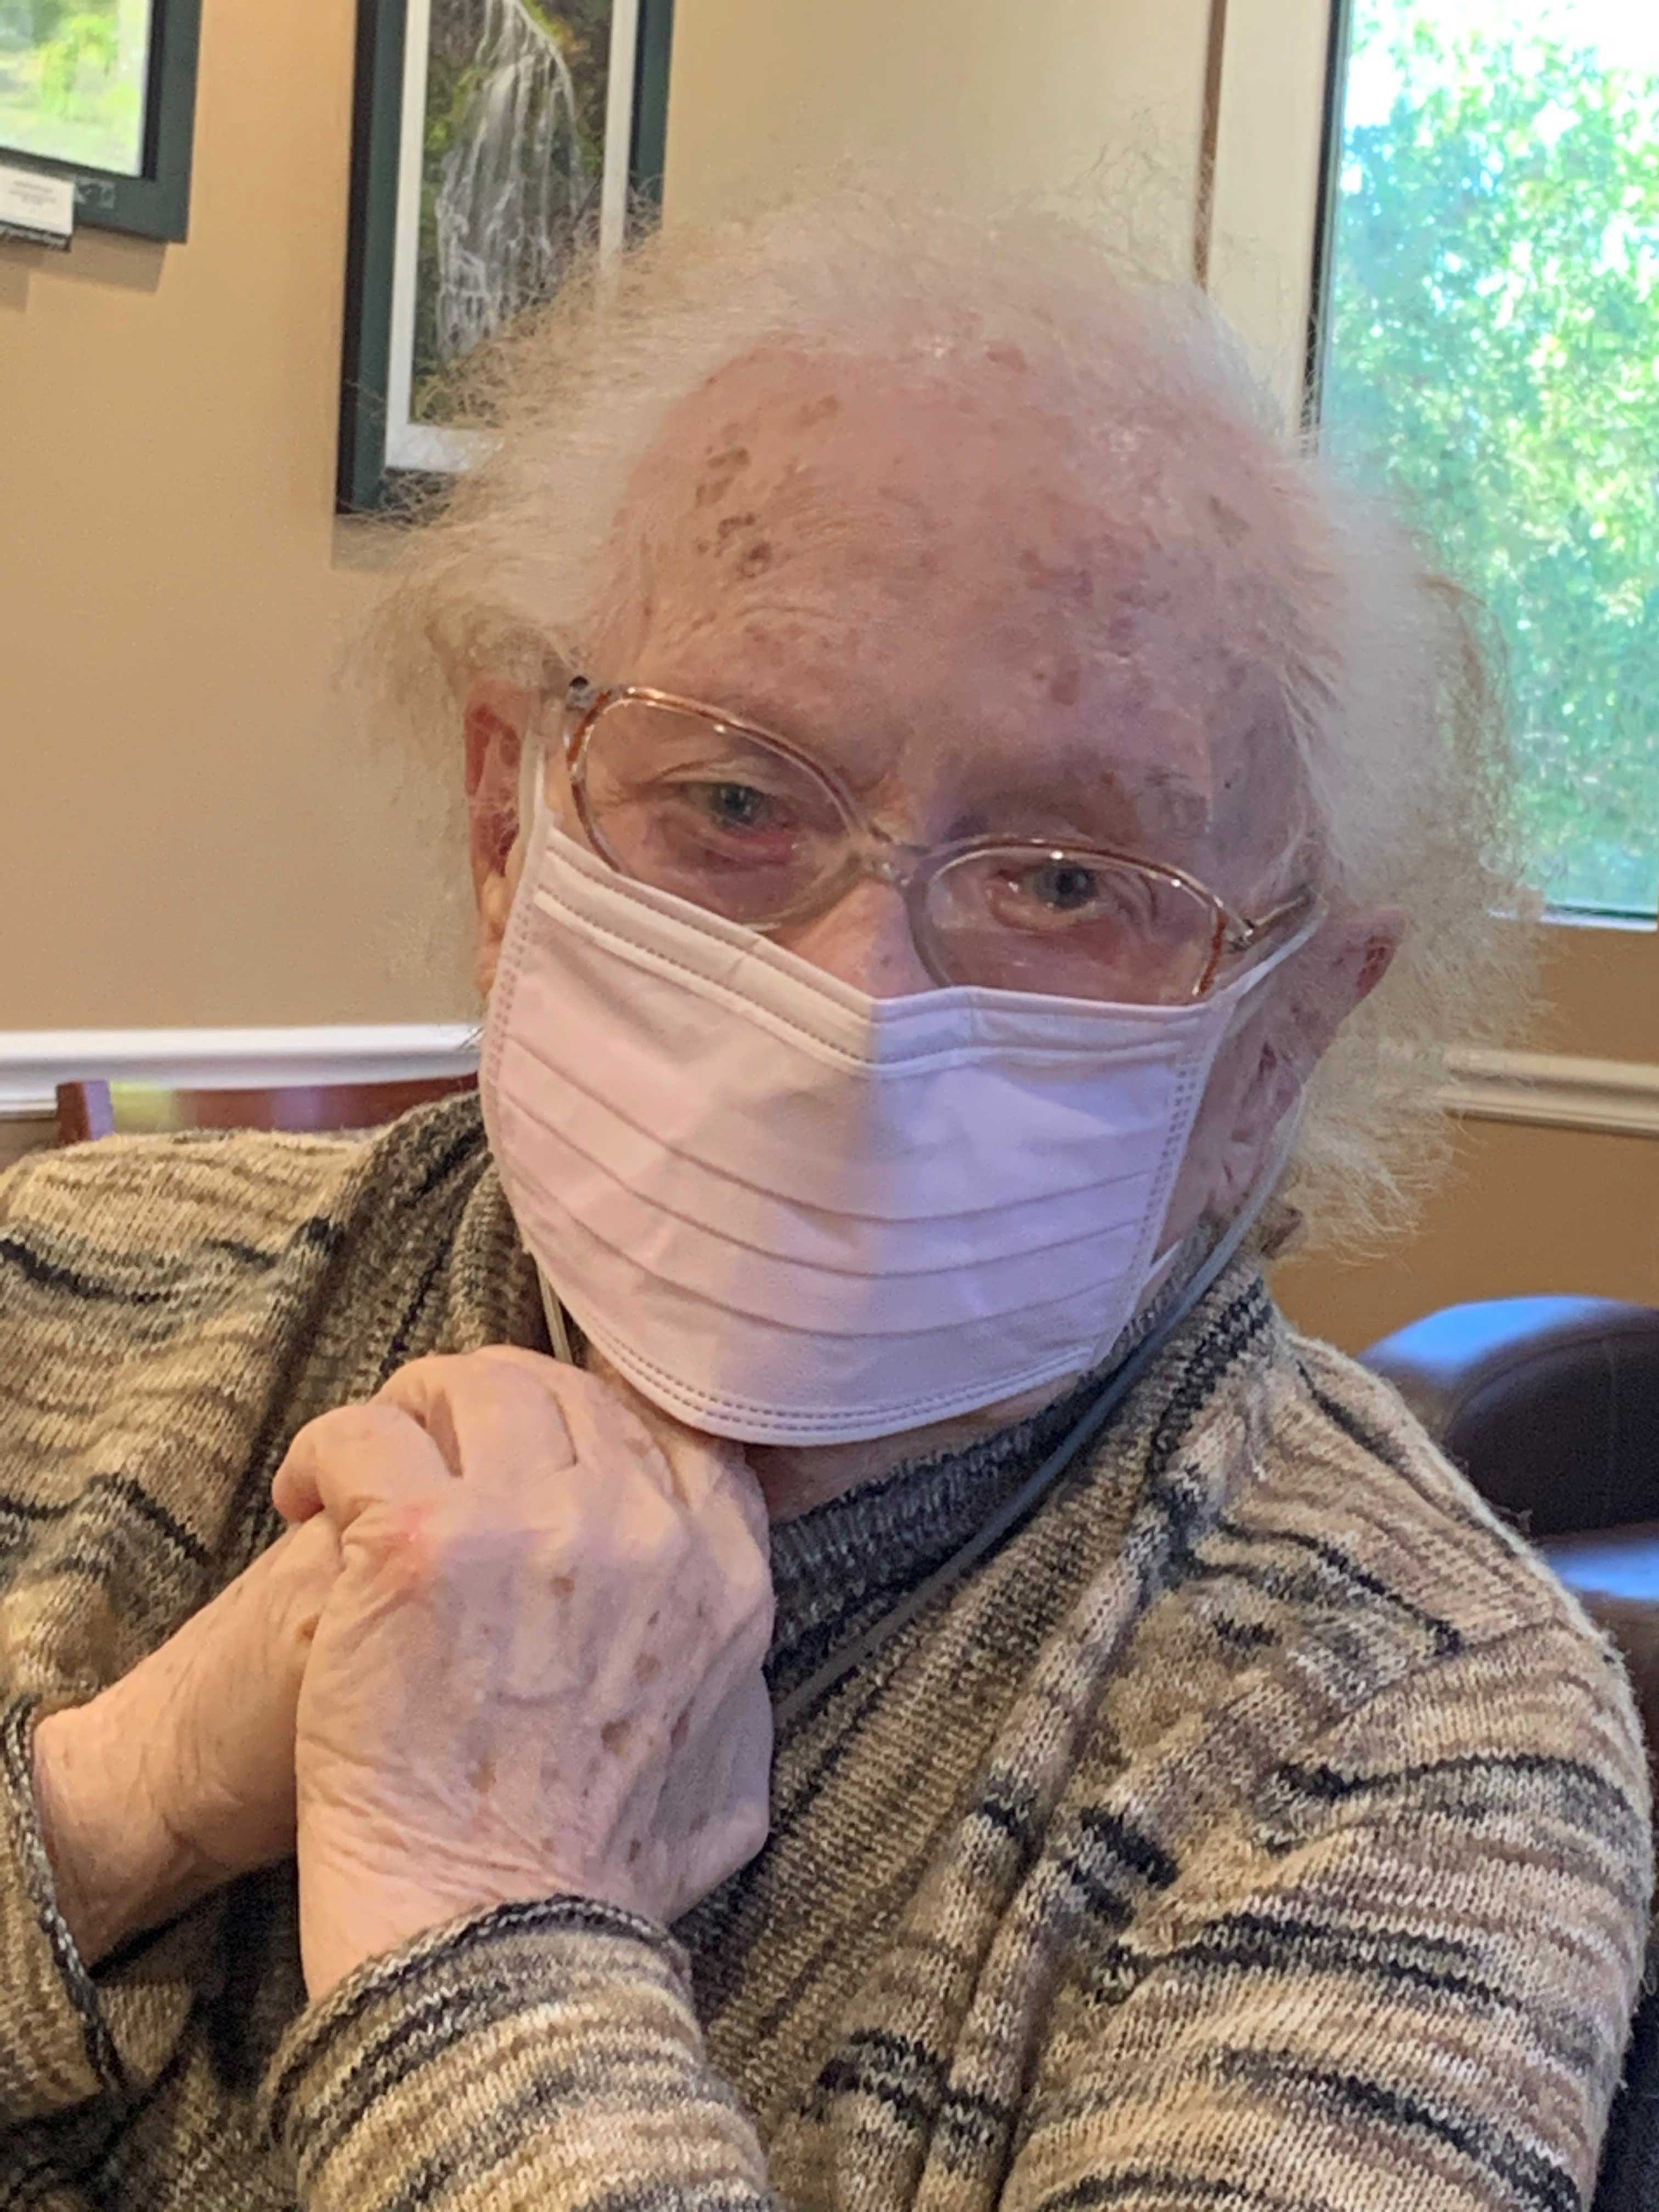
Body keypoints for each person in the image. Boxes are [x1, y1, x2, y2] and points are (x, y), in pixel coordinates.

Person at [1, 195, 1649, 2212]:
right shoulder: (69, 1292)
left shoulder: (1410, 1734)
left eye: (1063, 880)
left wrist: (481, 1910)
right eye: (738, 803)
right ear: (508, 816)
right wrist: (128, 1798)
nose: (850, 1005)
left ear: (1280, 1038)